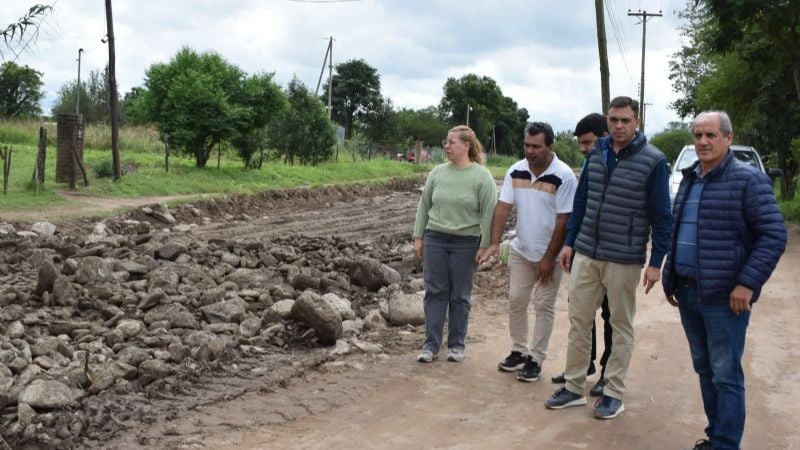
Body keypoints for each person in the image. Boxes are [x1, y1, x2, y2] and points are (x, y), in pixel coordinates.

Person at [662, 111, 787, 450]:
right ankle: (716, 435)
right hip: (687, 291)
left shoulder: (748, 181)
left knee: (726, 374)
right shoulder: (689, 178)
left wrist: (747, 283)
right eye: (698, 135)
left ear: (728, 138)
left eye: (711, 135)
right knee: (705, 368)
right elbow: (679, 230)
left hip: (723, 297)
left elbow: (773, 236)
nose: (702, 142)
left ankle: (726, 444)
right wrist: (670, 274)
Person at [544, 96, 672, 419]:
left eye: (625, 120)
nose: (618, 126)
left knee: (621, 323)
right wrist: (570, 243)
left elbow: (662, 216)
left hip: (624, 257)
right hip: (587, 251)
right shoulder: (597, 154)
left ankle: (613, 392)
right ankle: (574, 387)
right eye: (613, 120)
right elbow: (582, 200)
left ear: (637, 121)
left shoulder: (653, 161)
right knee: (578, 322)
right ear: (607, 119)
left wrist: (656, 262)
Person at [480, 122, 577, 382]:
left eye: (536, 146)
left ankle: (536, 358)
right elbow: (503, 208)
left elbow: (564, 220)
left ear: (550, 147)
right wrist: (493, 242)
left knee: (544, 305)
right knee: (516, 301)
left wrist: (548, 259)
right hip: (521, 250)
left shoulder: (564, 176)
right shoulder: (516, 170)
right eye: (527, 145)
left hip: (552, 254)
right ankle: (518, 350)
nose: (530, 151)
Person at [412, 125, 497, 363]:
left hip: (466, 243)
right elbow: (424, 206)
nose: (446, 147)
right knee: (434, 292)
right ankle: (430, 346)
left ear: (466, 146)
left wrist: (486, 244)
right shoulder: (437, 173)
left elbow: (489, 212)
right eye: (446, 142)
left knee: (460, 296)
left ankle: (457, 345)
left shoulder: (482, 177)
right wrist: (419, 237)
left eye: (451, 142)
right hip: (436, 239)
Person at [550, 113, 612, 398]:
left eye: (588, 142)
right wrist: (570, 244)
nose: (583, 148)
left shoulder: (618, 163)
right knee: (580, 311)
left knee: (612, 317)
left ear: (604, 135)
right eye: (581, 144)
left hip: (614, 255)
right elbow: (579, 207)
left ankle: (607, 374)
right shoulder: (589, 163)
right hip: (584, 249)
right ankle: (582, 365)